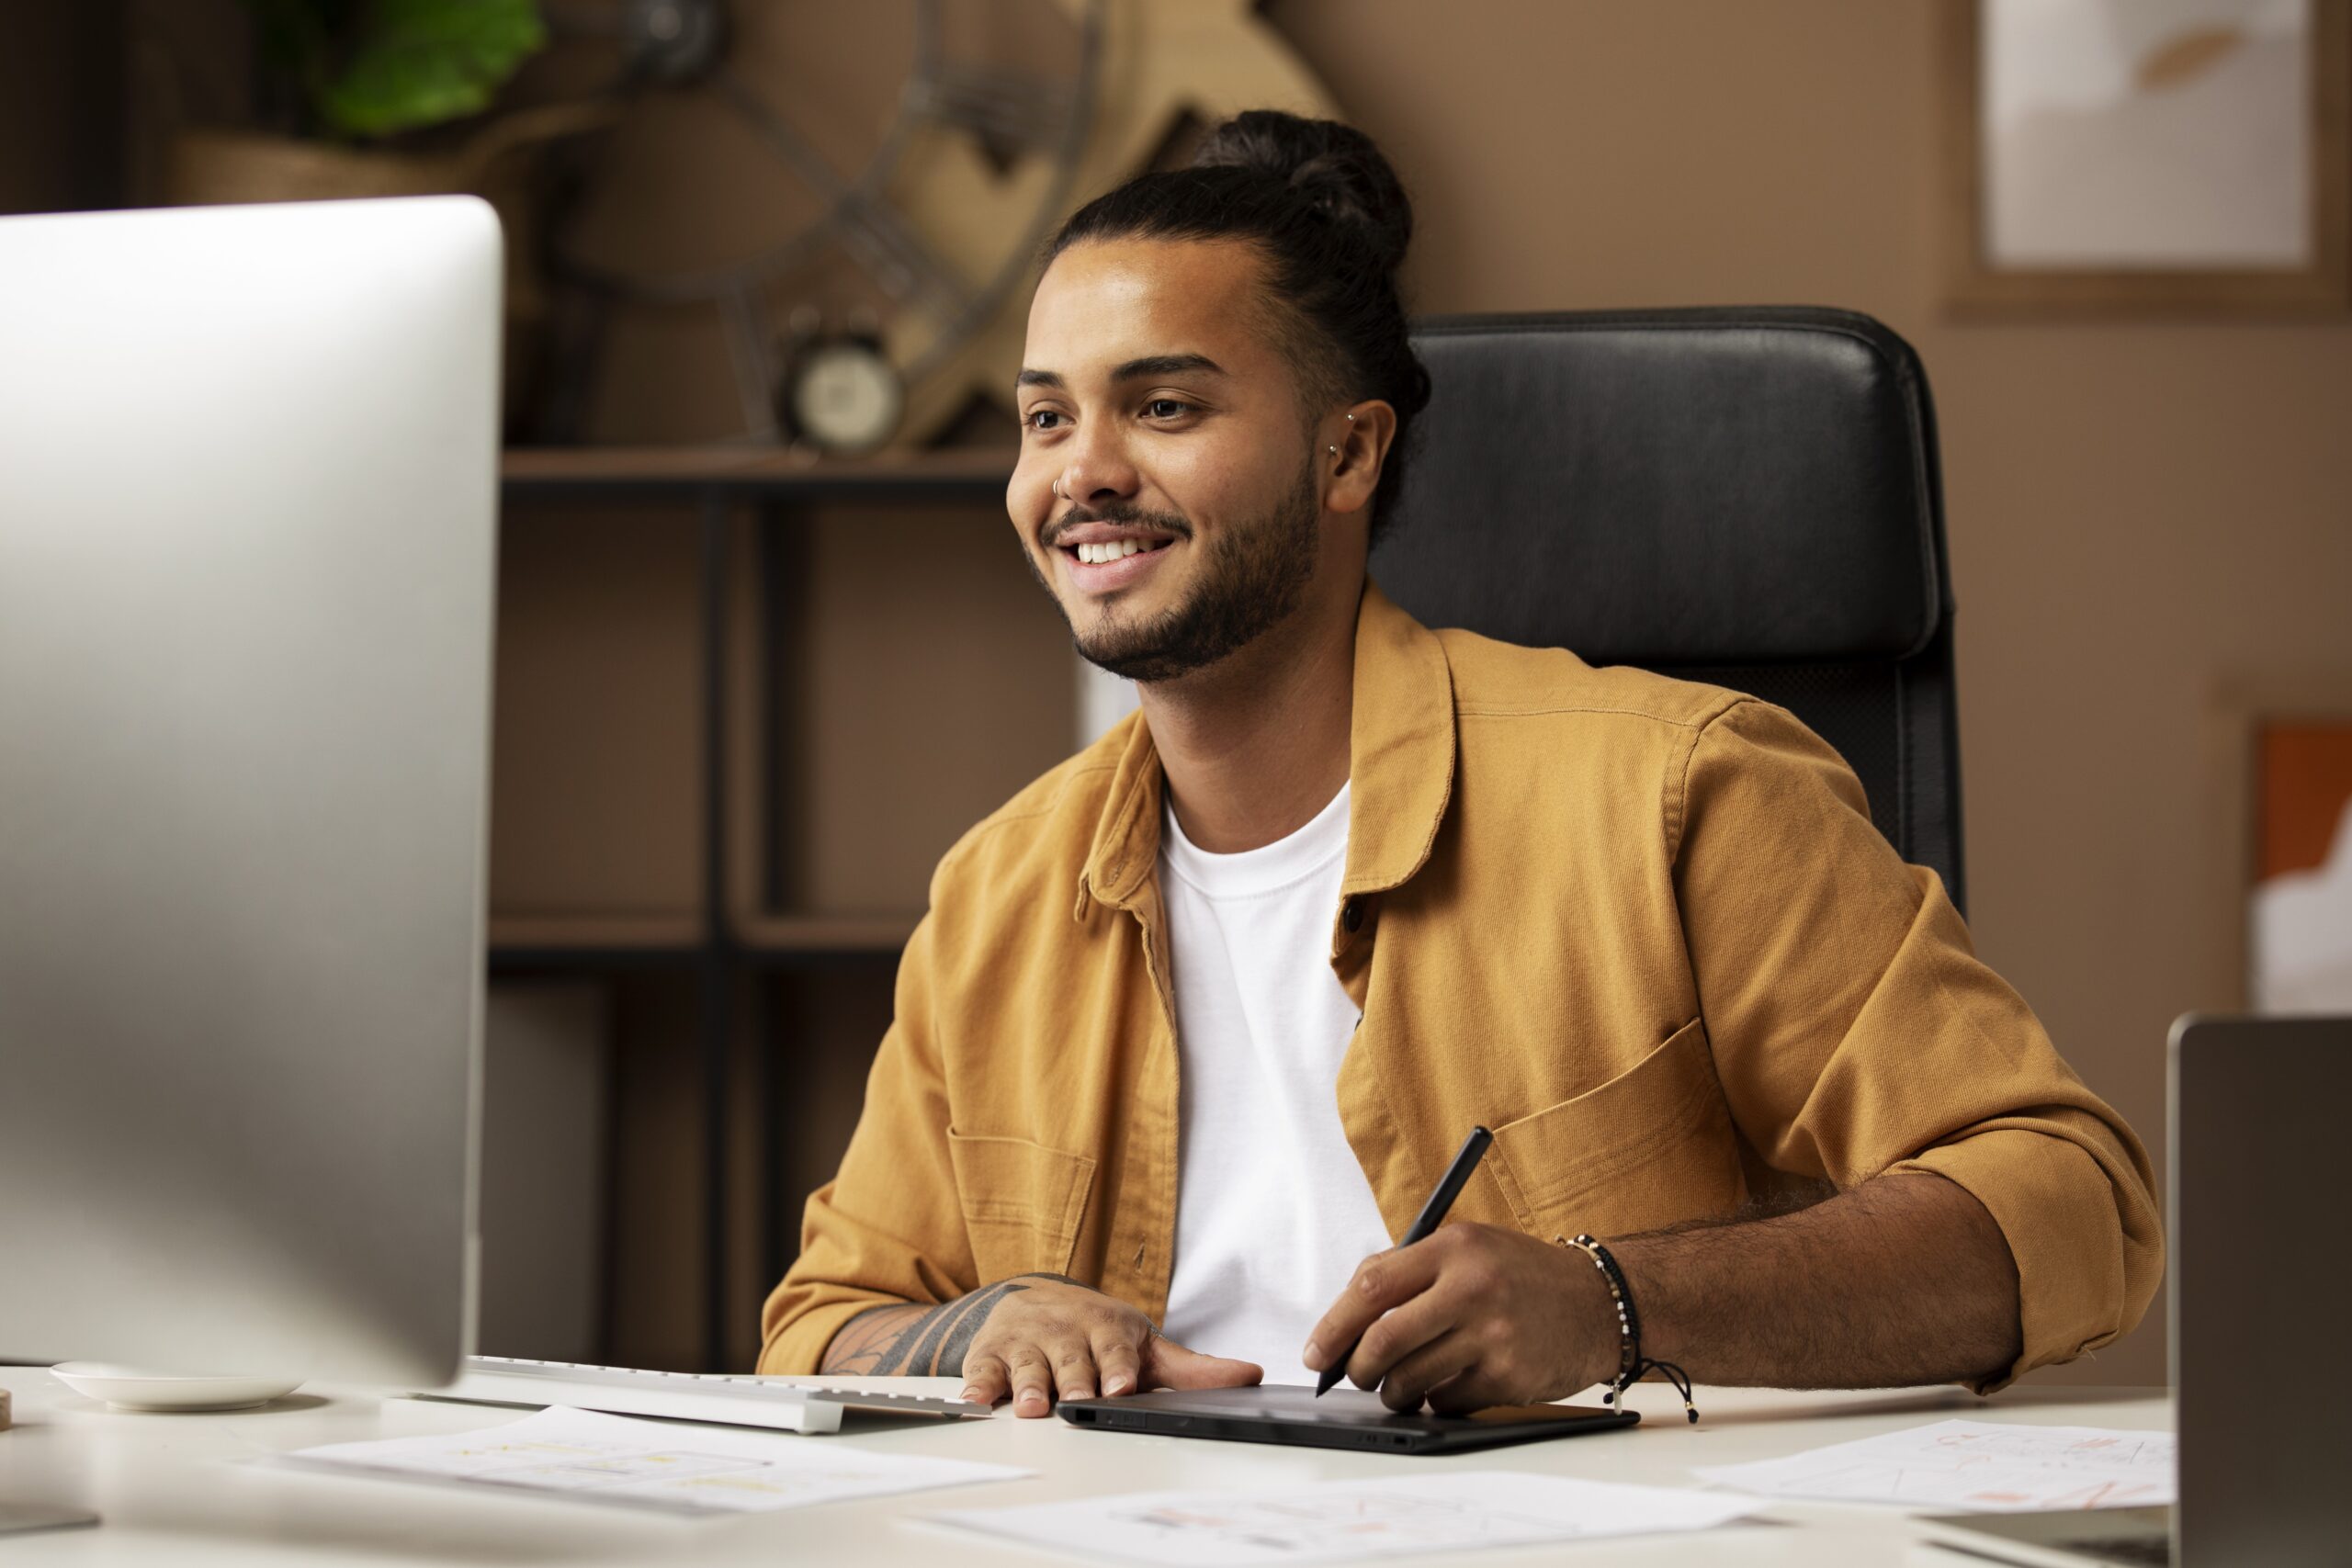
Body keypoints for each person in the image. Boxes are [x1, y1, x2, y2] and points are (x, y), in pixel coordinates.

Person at [757, 110, 2161, 1418]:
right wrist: (981, 1322)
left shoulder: (1680, 795)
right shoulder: (999, 892)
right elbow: (823, 1321)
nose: (1082, 473)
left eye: (1165, 408)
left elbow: (2070, 1200)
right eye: (1048, 417)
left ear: (1349, 451)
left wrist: (1613, 1303)